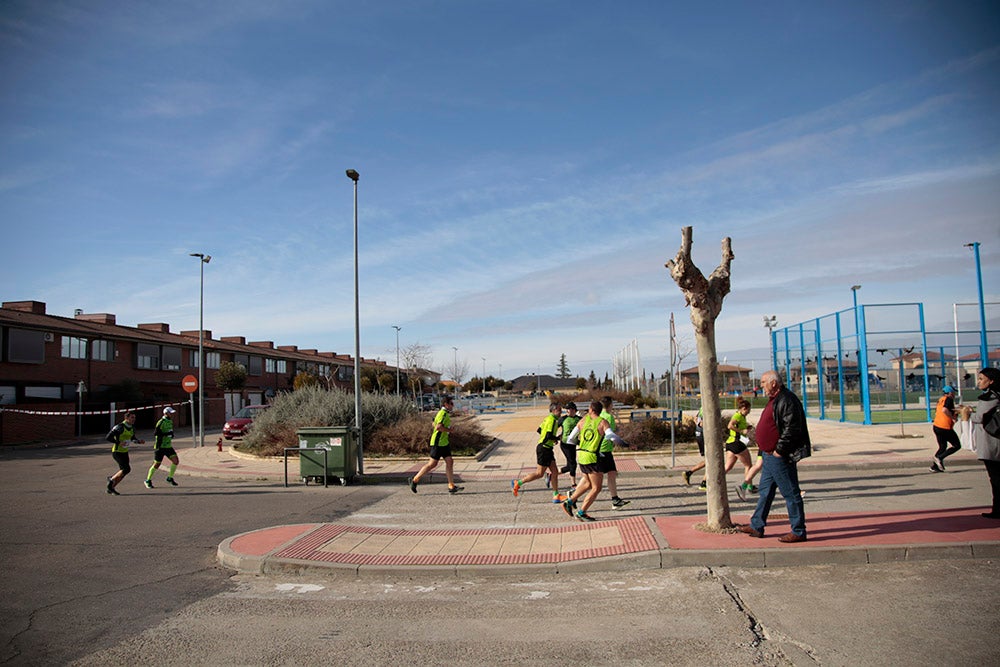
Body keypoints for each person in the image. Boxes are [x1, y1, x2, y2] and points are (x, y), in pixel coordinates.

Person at [739, 370, 810, 543]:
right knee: (765, 492)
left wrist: (779, 450)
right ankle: (756, 525)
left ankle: (798, 530)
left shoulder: (787, 400)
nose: (761, 386)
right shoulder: (775, 400)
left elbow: (792, 429)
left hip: (779, 457)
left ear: (773, 383)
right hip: (768, 456)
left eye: (763, 382)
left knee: (791, 493)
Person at [561, 401, 616, 521]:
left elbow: (570, 439)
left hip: (582, 455)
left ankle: (569, 502)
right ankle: (582, 512)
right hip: (593, 457)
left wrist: (582, 444)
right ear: (600, 410)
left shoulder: (582, 421)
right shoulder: (602, 422)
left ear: (590, 409)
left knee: (587, 483)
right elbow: (611, 436)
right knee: (596, 488)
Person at [511, 403, 566, 503]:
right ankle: (517, 483)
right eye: (559, 410)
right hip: (544, 449)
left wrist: (550, 439)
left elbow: (539, 430)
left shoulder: (548, 419)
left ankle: (556, 495)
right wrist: (557, 438)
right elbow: (548, 435)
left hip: (547, 448)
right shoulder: (552, 420)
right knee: (539, 473)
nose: (561, 412)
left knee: (554, 472)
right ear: (553, 411)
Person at [409, 396, 463, 494]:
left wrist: (446, 430)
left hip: (444, 442)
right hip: (438, 443)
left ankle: (451, 486)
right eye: (451, 403)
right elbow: (438, 427)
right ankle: (415, 480)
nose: (452, 405)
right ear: (446, 404)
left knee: (450, 461)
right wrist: (449, 430)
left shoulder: (444, 413)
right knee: (432, 464)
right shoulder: (442, 414)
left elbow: (433, 423)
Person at [970, 368, 1000, 519]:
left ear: (991, 381)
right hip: (995, 442)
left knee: (995, 478)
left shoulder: (990, 397)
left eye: (981, 379)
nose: (979, 382)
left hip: (991, 442)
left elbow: (980, 417)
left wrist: (968, 414)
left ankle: (998, 509)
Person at [598, 396, 630, 509]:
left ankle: (615, 499)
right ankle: (573, 497)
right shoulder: (608, 417)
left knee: (612, 473)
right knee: (593, 480)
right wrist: (624, 444)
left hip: (604, 450)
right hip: (603, 450)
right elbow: (610, 435)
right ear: (610, 405)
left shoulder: (599, 415)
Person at [724, 399, 756, 500]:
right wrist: (742, 431)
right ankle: (747, 487)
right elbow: (730, 426)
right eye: (748, 410)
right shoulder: (737, 416)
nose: (749, 412)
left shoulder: (741, 416)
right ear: (743, 409)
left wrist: (747, 427)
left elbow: (740, 426)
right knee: (748, 465)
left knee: (728, 466)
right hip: (737, 443)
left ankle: (713, 480)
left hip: (730, 443)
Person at [106, 411, 143, 495]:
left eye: (134, 417)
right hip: (117, 451)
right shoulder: (120, 427)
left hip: (125, 451)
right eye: (132, 417)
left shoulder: (132, 428)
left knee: (125, 470)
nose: (134, 419)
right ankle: (111, 479)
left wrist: (138, 441)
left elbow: (133, 438)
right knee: (125, 469)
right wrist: (118, 442)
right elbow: (108, 437)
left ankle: (111, 487)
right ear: (126, 418)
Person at [145, 407, 180, 489]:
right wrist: (166, 434)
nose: (172, 414)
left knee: (176, 461)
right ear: (166, 413)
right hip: (160, 447)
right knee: (157, 464)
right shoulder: (161, 422)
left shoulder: (170, 421)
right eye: (170, 413)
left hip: (168, 446)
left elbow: (170, 431)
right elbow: (156, 433)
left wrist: (171, 434)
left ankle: (169, 478)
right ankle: (148, 480)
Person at [930, 385, 962, 472]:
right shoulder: (949, 399)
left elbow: (939, 411)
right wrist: (952, 417)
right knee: (957, 445)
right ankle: (939, 457)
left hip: (937, 426)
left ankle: (935, 467)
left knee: (942, 446)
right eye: (954, 392)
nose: (954, 394)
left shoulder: (941, 399)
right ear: (951, 393)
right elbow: (945, 410)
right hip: (945, 427)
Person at [558, 402, 582, 490]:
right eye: (567, 409)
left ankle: (552, 475)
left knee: (569, 466)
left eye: (570, 409)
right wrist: (555, 438)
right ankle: (573, 484)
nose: (568, 411)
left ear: (574, 410)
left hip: (573, 444)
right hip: (565, 444)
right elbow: (554, 428)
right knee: (573, 464)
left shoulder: (579, 419)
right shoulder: (563, 419)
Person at [682, 407, 707, 490]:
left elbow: (695, 418)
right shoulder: (706, 407)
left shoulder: (702, 407)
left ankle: (689, 473)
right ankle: (704, 483)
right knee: (711, 460)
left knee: (708, 460)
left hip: (699, 433)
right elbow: (701, 422)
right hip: (703, 435)